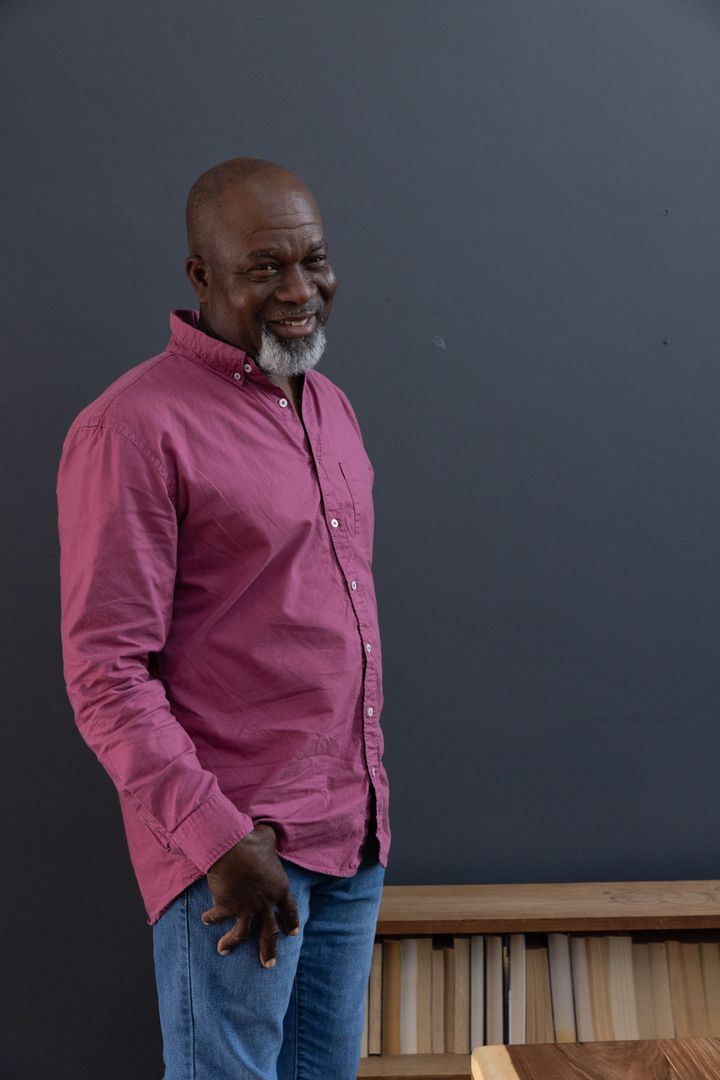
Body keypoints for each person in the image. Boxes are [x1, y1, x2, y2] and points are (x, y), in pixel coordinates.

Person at [56, 157, 390, 1079]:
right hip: (238, 859)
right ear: (201, 276)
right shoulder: (132, 429)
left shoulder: (329, 406)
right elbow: (105, 675)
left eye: (314, 261)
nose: (299, 291)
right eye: (264, 268)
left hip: (351, 838)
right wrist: (218, 839)